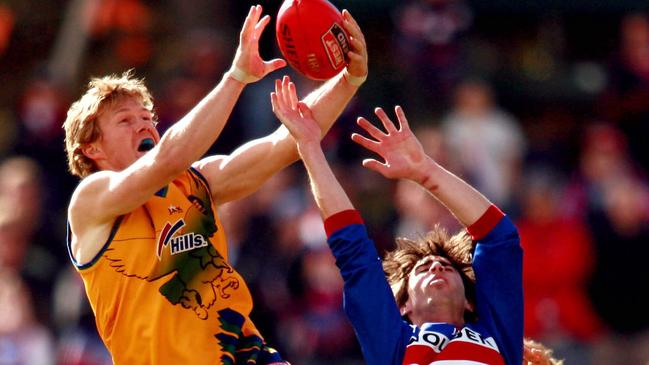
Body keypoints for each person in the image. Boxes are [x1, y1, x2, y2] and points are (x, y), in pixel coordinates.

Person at [62, 4, 368, 364]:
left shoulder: (195, 182)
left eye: (147, 117)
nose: (145, 125)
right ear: (91, 148)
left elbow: (283, 144)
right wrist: (235, 76)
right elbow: (170, 157)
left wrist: (349, 79)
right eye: (125, 120)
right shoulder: (91, 199)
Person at [270, 81, 522, 364]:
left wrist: (425, 171)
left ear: (469, 302)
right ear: (403, 306)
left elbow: (499, 238)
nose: (436, 266)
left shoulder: (496, 335)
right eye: (424, 268)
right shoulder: (394, 344)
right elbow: (354, 254)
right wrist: (309, 147)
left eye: (448, 268)